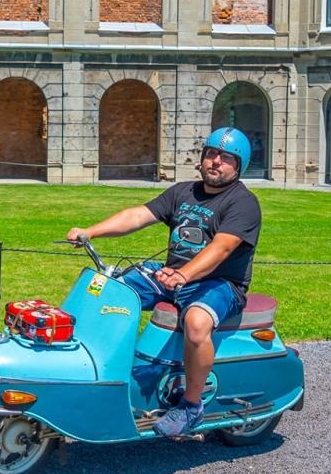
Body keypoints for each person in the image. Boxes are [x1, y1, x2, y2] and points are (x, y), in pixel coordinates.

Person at [66, 127, 261, 438]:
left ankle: (190, 406)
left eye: (226, 158)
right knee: (109, 289)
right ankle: (94, 368)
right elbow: (137, 216)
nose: (215, 162)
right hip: (171, 275)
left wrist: (184, 274)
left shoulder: (243, 203)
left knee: (197, 324)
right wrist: (91, 231)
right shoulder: (183, 192)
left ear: (239, 166)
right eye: (211, 154)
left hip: (220, 283)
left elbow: (222, 247)